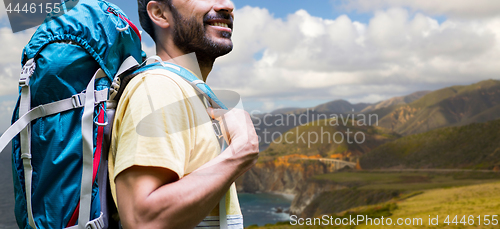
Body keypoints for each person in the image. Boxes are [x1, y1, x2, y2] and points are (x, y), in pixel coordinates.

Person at [107, 0, 259, 228]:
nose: (227, 5)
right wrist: (240, 152)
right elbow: (142, 220)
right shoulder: (159, 88)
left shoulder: (187, 90)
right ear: (159, 13)